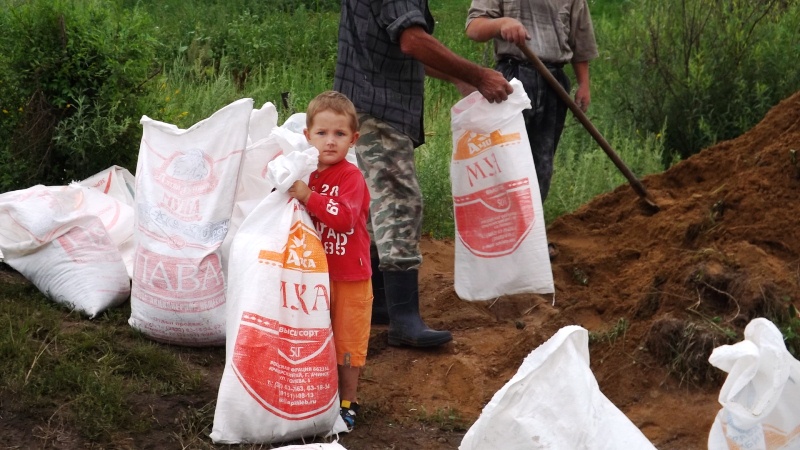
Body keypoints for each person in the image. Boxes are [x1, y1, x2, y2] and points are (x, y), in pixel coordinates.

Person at [334, 0, 514, 348]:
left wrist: (460, 77)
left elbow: (398, 45)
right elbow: (412, 41)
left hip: (364, 99)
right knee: (399, 202)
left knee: (378, 203)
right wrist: (477, 74)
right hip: (380, 104)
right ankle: (404, 321)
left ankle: (380, 304)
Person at [466, 0, 599, 259]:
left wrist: (584, 83)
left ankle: (530, 238)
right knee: (504, 164)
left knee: (541, 168)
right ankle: (497, 240)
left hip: (554, 82)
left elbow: (580, 39)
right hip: (510, 80)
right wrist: (501, 23)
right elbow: (474, 27)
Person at [287, 91, 371, 431]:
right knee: (314, 337)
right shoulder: (303, 172)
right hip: (314, 276)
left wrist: (308, 196)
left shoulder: (352, 178)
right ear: (307, 136)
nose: (330, 141)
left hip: (350, 277)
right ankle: (317, 396)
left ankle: (348, 404)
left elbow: (345, 219)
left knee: (348, 346)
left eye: (339, 134)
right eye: (322, 133)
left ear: (354, 138)